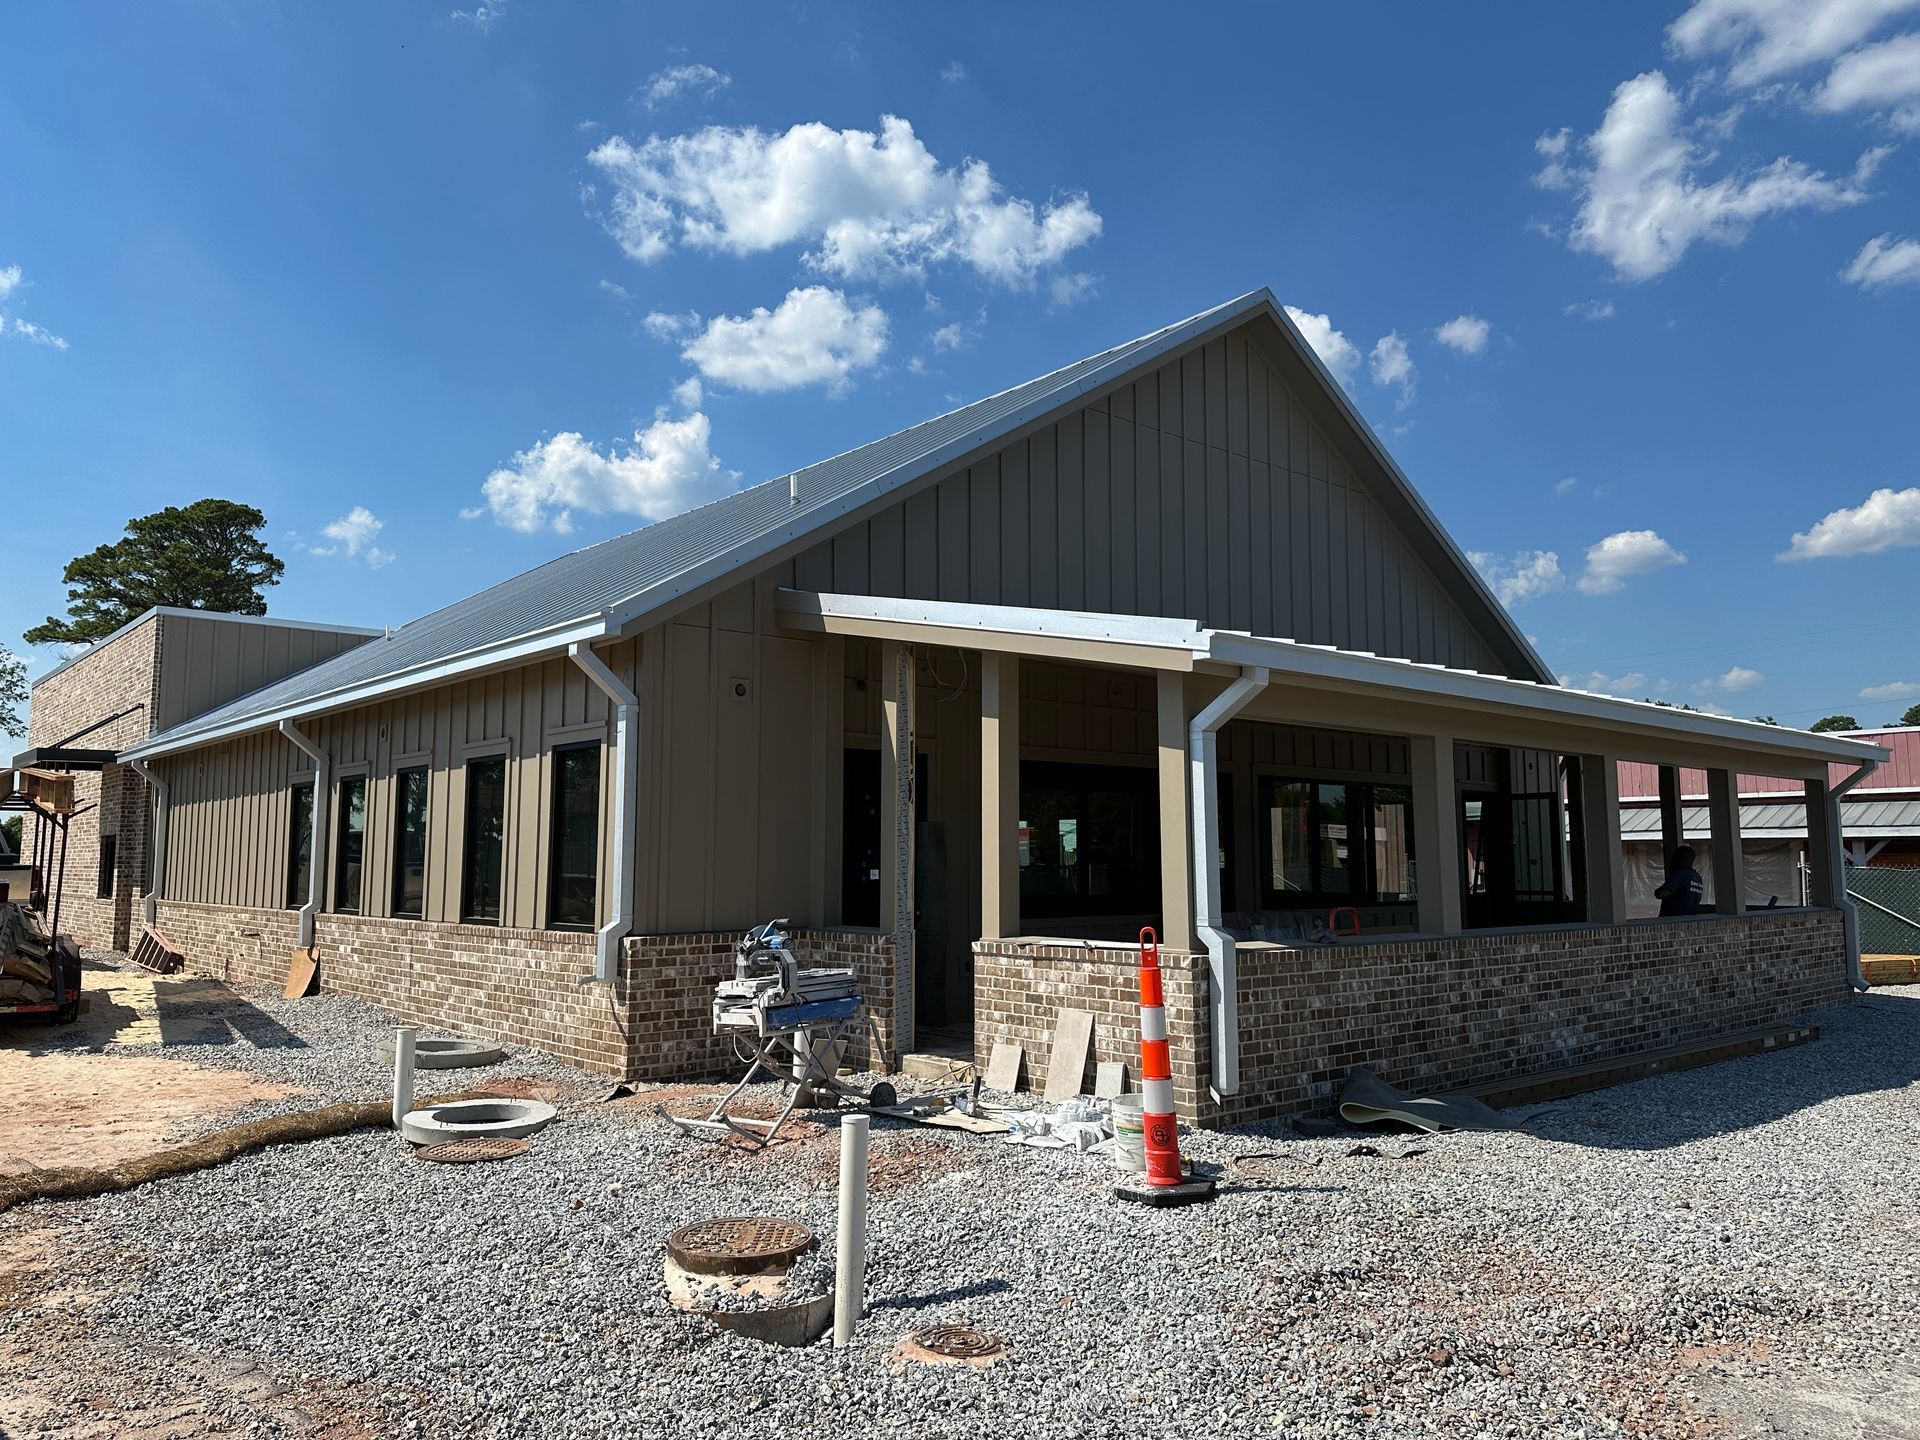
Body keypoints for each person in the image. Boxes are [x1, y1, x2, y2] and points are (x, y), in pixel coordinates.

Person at [1655, 845, 1704, 916]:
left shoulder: (1680, 874)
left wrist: (1657, 891)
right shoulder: (1697, 877)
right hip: (1690, 919)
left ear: (1680, 860)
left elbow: (1661, 894)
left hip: (1674, 921)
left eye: (1675, 858)